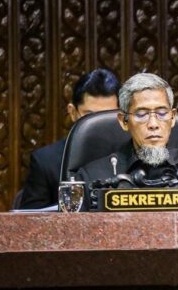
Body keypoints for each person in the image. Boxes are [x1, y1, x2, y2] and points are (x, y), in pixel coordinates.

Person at [76, 73, 178, 188]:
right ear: (124, 121)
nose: (153, 124)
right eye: (141, 114)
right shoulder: (93, 176)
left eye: (162, 113)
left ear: (173, 117)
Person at [18, 69, 121, 209]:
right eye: (90, 116)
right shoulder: (45, 162)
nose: (98, 125)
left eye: (106, 116)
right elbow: (30, 220)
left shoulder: (134, 156)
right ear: (72, 112)